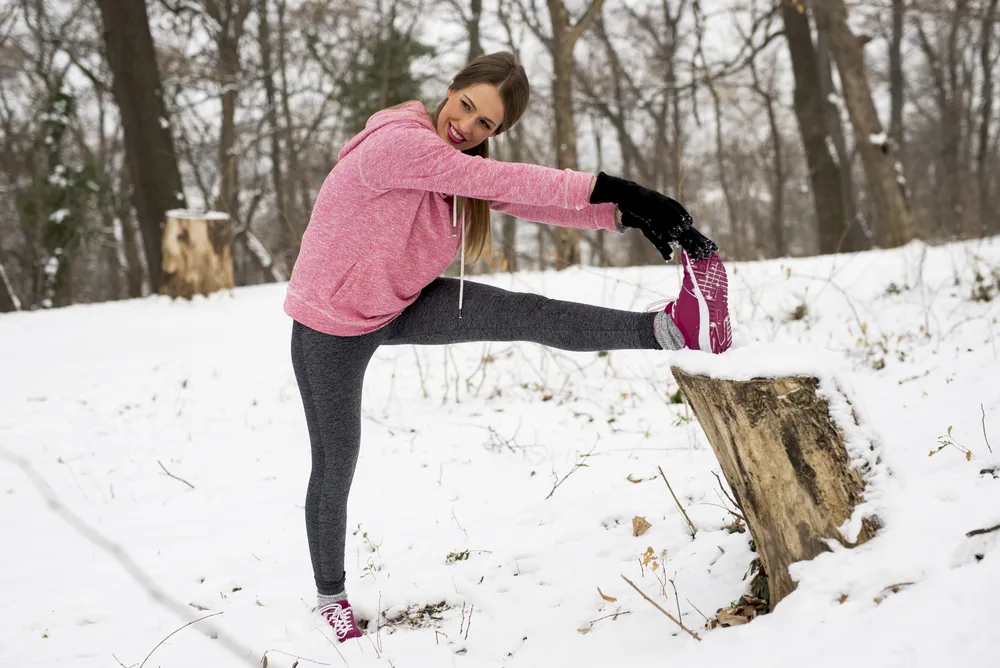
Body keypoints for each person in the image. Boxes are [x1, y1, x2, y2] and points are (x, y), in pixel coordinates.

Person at [284, 51, 731, 642]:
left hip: (399, 303)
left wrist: (624, 215)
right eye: (467, 107)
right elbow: (504, 180)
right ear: (452, 89)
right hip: (330, 327)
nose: (467, 127)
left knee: (527, 313)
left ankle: (671, 330)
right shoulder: (400, 142)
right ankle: (330, 596)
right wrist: (630, 191)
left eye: (485, 124)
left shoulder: (453, 165)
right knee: (336, 463)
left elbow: (529, 200)